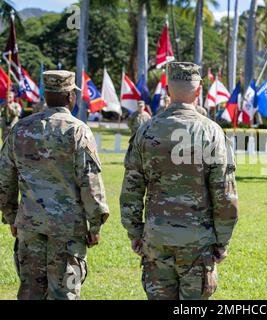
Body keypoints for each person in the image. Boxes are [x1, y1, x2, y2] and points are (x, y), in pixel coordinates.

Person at [120, 62, 238, 300]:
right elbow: (224, 194)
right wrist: (222, 240)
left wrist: (135, 232)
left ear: (167, 88)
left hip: (156, 238)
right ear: (199, 89)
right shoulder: (212, 132)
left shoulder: (146, 130)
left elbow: (131, 188)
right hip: (198, 242)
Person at [0, 70, 109, 300]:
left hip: (30, 227)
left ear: (46, 95)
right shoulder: (78, 131)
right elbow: (90, 182)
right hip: (67, 230)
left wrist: (12, 217)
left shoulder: (20, 129)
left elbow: (4, 181)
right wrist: (95, 225)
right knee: (64, 294)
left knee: (30, 292)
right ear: (71, 96)